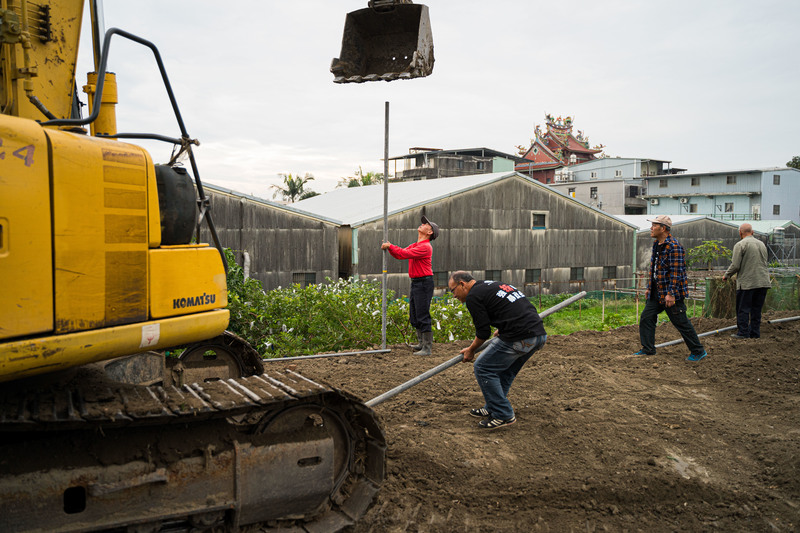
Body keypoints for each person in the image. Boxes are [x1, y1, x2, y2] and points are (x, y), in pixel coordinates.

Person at [448, 271, 547, 430]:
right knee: (504, 371)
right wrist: (503, 326)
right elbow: (517, 307)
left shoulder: (473, 296)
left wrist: (471, 350)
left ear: (462, 284)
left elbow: (483, 332)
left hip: (520, 337)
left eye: (453, 290)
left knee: (483, 367)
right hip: (537, 334)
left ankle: (503, 414)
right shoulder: (491, 285)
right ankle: (493, 406)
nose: (453, 295)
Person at [634, 215, 708, 362]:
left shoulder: (674, 246)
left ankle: (698, 351)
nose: (651, 228)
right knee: (646, 318)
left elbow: (677, 272)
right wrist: (649, 287)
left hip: (670, 294)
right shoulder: (657, 244)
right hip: (657, 292)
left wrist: (671, 293)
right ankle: (648, 349)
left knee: (681, 322)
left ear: (663, 229)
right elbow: (654, 268)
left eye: (654, 225)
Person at [381, 215, 439, 355]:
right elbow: (400, 254)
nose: (422, 224)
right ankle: (421, 343)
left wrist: (390, 246)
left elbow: (403, 253)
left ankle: (427, 347)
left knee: (422, 313)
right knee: (414, 314)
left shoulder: (425, 247)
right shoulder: (417, 244)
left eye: (426, 224)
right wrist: (390, 248)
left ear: (429, 232)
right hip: (417, 282)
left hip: (424, 282)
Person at [722, 223, 771, 339]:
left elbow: (735, 265)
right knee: (756, 309)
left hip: (748, 283)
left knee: (743, 309)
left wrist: (726, 275)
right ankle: (755, 333)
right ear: (752, 232)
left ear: (740, 233)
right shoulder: (762, 244)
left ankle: (743, 333)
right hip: (763, 282)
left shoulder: (740, 245)